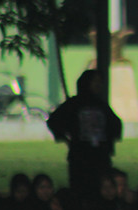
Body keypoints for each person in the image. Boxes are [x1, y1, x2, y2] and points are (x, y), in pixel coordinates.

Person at [46, 69, 123, 199]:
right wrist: (65, 139)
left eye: (100, 82)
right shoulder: (74, 103)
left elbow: (115, 124)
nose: (98, 85)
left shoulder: (101, 104)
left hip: (100, 157)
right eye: (95, 82)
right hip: (80, 158)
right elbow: (54, 121)